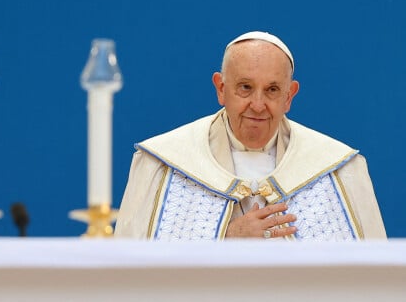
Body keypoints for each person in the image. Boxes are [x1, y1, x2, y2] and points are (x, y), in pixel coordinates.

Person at [114, 31, 386, 241]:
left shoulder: (339, 169)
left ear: (289, 96)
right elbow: (131, 273)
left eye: (272, 90)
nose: (257, 105)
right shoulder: (162, 163)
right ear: (221, 89)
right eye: (245, 87)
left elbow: (373, 278)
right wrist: (226, 239)